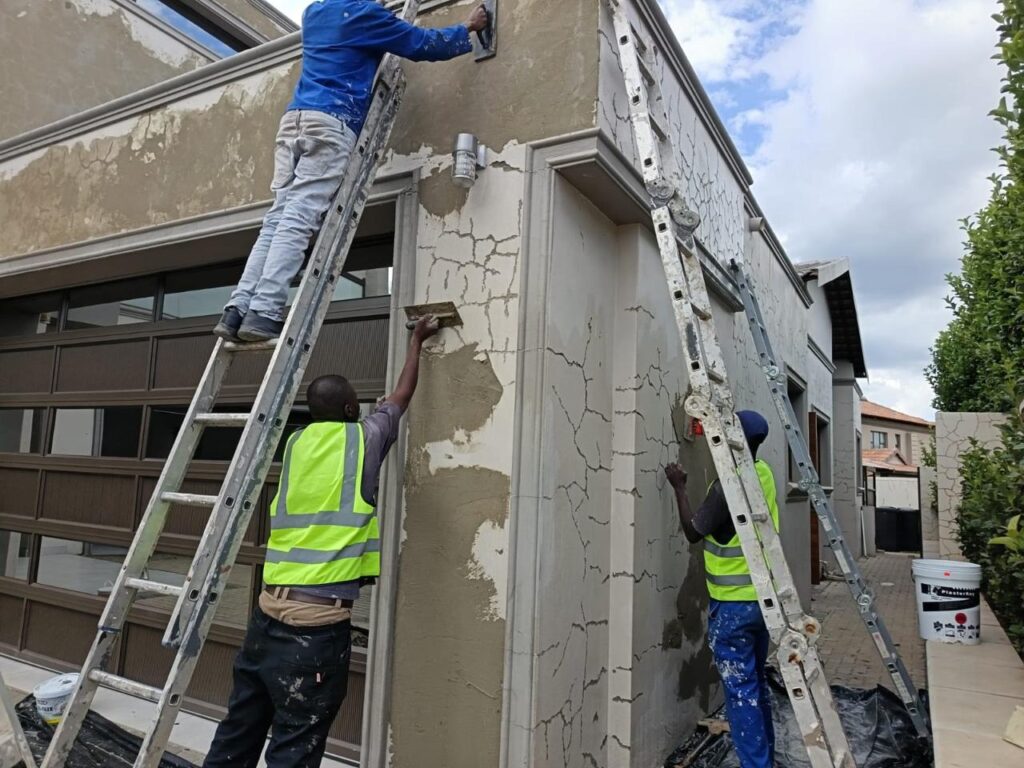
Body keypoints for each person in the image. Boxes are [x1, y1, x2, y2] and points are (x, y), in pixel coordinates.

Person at [203, 314, 440, 768]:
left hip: (266, 616)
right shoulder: (364, 439)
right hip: (313, 629)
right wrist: (417, 341)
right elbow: (400, 398)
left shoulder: (297, 444)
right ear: (352, 410)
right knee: (295, 748)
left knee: (237, 735)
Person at [214, 0, 489, 342]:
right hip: (331, 122)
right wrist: (467, 27)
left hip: (295, 122)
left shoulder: (315, 12)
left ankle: (237, 309)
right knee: (299, 217)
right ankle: (264, 310)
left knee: (278, 218)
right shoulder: (364, 15)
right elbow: (422, 44)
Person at [665, 410, 778, 768]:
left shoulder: (728, 487)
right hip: (763, 603)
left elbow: (693, 531)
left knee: (741, 693)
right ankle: (766, 757)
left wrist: (679, 487)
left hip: (733, 609)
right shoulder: (763, 472)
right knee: (755, 684)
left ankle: (756, 765)